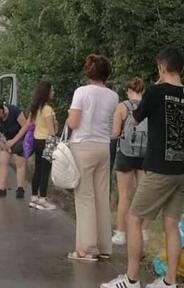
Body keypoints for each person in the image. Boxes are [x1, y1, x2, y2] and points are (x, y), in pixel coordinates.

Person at [103, 48, 184, 288]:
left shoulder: (156, 92)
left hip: (159, 169)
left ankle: (131, 280)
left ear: (161, 67)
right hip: (181, 170)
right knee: (172, 225)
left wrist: (154, 87)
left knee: (134, 219)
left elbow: (136, 118)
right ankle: (169, 282)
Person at [66, 54, 118, 262]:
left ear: (88, 71)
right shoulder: (113, 96)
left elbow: (73, 123)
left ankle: (86, 248)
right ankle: (104, 246)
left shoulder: (82, 92)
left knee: (85, 197)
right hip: (103, 147)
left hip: (83, 146)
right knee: (101, 196)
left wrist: (69, 115)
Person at [111, 78, 150, 246]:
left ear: (128, 90)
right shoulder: (149, 105)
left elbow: (115, 133)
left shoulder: (122, 107)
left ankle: (121, 233)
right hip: (145, 155)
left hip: (125, 155)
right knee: (143, 195)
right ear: (143, 91)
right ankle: (143, 231)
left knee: (124, 195)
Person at [0, 102, 30, 198]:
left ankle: (20, 188)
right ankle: (1, 188)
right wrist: (2, 144)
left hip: (20, 138)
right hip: (7, 140)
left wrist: (14, 141)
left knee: (19, 162)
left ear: (2, 111)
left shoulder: (15, 111)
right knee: (2, 161)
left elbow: (25, 127)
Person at [29, 81, 57, 210]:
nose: (53, 92)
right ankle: (43, 198)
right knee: (46, 170)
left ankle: (34, 196)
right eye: (52, 90)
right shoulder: (48, 109)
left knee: (38, 169)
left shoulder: (36, 108)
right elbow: (51, 130)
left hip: (37, 139)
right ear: (47, 92)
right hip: (47, 141)